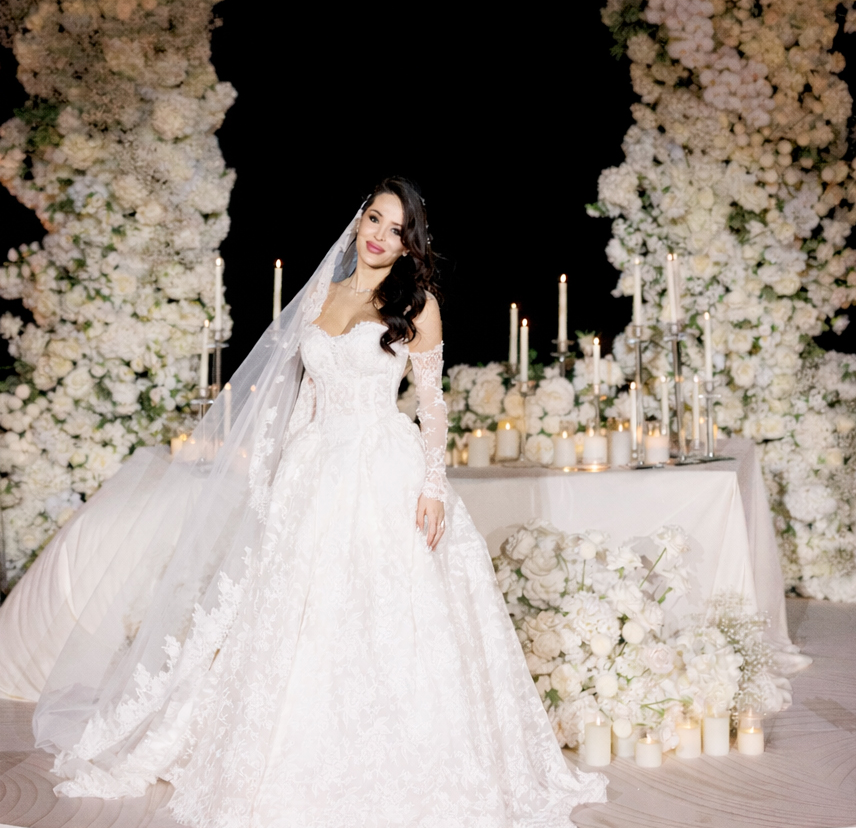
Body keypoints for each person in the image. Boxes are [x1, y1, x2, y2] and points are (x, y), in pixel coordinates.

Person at [28, 176, 607, 826]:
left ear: (409, 244)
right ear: (360, 220)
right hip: (314, 467)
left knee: (387, 607)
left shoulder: (417, 306)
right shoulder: (319, 297)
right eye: (375, 219)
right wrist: (282, 474)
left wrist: (433, 486)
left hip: (382, 466)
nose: (381, 236)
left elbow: (433, 405)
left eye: (397, 230)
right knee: (296, 609)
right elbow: (304, 392)